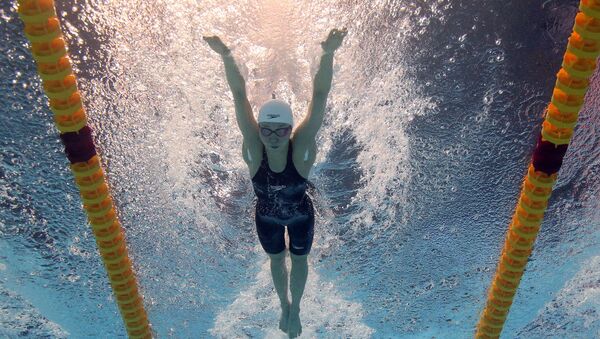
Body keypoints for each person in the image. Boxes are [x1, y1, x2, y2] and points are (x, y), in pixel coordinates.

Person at [203, 28, 347, 338]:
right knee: (276, 260)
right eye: (266, 130)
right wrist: (226, 56)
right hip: (265, 217)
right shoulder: (255, 149)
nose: (272, 138)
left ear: (290, 129)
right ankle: (284, 305)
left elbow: (320, 97)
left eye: (280, 131)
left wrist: (328, 53)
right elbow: (239, 95)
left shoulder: (302, 146)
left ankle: (296, 309)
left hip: (301, 216)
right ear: (260, 129)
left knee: (299, 260)